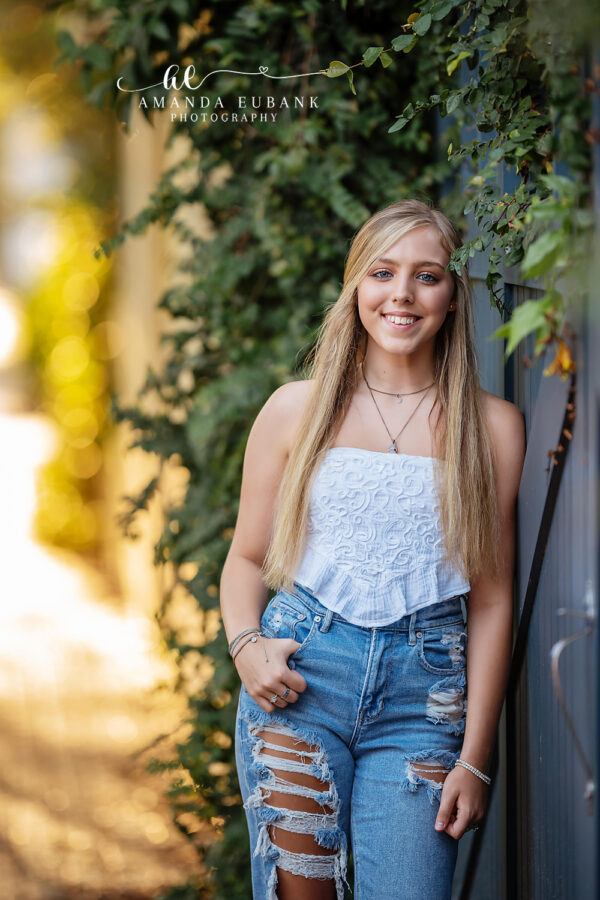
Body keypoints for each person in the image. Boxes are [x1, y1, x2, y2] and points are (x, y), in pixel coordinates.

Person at [220, 199, 526, 900]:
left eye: (427, 276)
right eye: (383, 272)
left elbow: (492, 599)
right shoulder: (295, 409)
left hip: (426, 700)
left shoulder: (494, 428)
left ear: (453, 297)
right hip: (303, 680)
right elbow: (244, 560)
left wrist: (476, 759)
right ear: (357, 286)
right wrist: (246, 646)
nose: (402, 294)